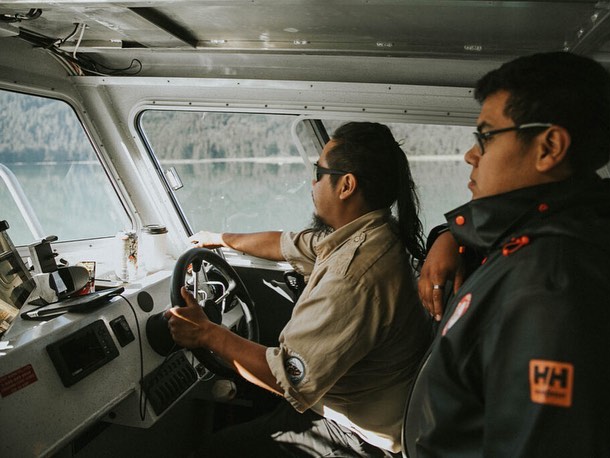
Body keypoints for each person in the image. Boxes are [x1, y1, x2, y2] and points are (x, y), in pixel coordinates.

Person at [403, 52, 610, 457]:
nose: (471, 155)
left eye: (485, 136)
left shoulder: (555, 287)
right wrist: (451, 235)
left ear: (549, 146)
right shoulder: (543, 244)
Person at [165, 122, 431, 457]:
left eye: (319, 172)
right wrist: (221, 238)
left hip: (360, 437)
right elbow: (287, 244)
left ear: (346, 185)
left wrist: (207, 334)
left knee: (215, 451)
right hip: (345, 406)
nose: (312, 182)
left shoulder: (352, 277)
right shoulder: (369, 235)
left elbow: (286, 377)